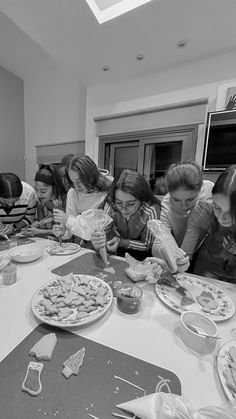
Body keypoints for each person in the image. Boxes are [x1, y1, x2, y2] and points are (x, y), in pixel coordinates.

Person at [181, 165, 236, 283]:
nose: (222, 218)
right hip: (206, 272)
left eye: (232, 212)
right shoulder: (203, 211)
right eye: (217, 207)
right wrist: (179, 261)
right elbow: (185, 254)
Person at [91, 170, 161, 260]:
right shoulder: (111, 203)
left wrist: (121, 242)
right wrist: (99, 241)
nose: (123, 209)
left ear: (142, 198)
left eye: (130, 204)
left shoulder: (151, 209)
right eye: (119, 202)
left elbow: (147, 244)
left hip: (145, 257)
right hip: (119, 251)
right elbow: (104, 232)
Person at [53, 154, 112, 243]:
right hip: (83, 247)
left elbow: (95, 231)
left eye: (79, 181)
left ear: (90, 175)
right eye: (73, 182)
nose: (76, 187)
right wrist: (63, 231)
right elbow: (71, 228)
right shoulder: (72, 192)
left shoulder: (107, 192)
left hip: (105, 245)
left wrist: (68, 220)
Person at [157, 162, 214, 247]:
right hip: (180, 250)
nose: (184, 206)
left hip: (207, 248)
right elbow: (163, 240)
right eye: (176, 200)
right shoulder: (166, 205)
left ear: (200, 189)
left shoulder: (210, 189)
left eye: (190, 199)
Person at [23, 164, 66, 236]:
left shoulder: (65, 201)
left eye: (43, 191)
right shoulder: (41, 202)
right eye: (36, 190)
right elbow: (42, 225)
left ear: (55, 187)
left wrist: (39, 231)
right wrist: (32, 228)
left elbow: (66, 231)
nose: (39, 195)